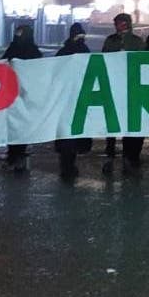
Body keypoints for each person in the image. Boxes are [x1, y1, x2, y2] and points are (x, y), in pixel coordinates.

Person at [102, 13, 144, 173]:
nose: (119, 26)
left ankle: (128, 155)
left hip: (130, 86)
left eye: (121, 23)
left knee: (128, 121)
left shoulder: (136, 42)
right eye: (117, 23)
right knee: (111, 120)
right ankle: (110, 153)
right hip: (113, 85)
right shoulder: (110, 40)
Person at [2, 24, 42, 174]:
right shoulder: (14, 49)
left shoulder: (33, 51)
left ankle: (18, 155)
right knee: (13, 125)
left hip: (24, 94)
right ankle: (13, 155)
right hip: (13, 94)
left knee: (21, 125)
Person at [54, 23, 91, 180]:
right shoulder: (66, 52)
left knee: (71, 133)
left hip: (75, 98)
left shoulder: (78, 51)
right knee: (69, 134)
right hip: (69, 98)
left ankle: (68, 164)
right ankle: (67, 165)